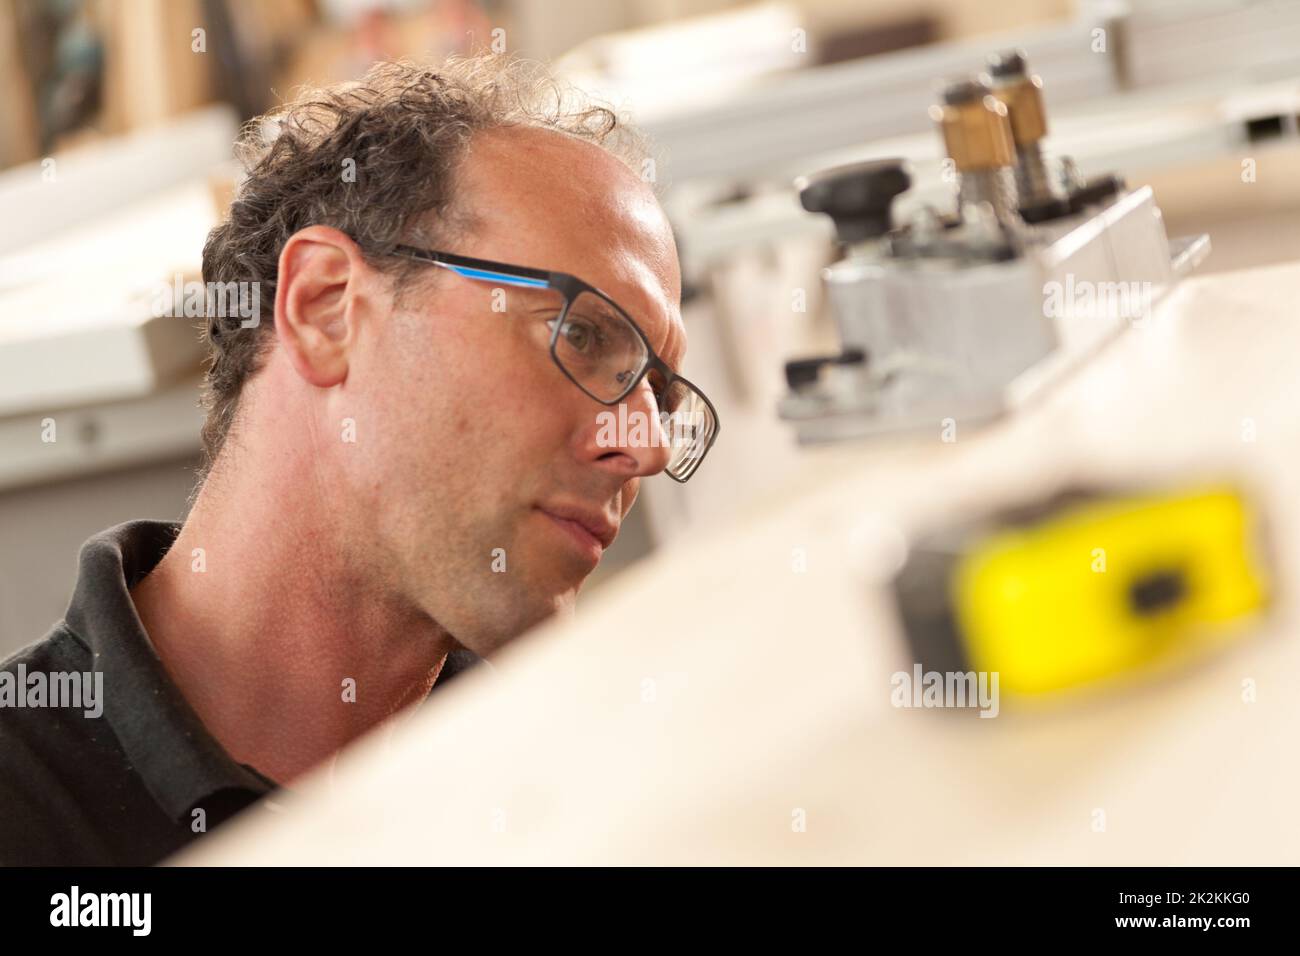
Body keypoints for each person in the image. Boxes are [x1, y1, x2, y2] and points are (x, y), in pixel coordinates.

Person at [0, 55, 718, 865]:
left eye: (661, 394)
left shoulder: (590, 781)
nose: (647, 445)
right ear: (326, 308)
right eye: (583, 335)